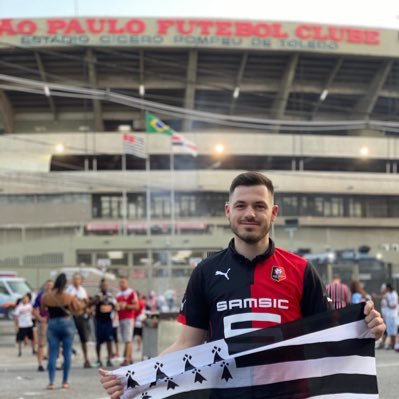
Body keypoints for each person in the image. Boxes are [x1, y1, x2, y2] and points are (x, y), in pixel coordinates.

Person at [99, 171, 386, 398]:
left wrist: (366, 328)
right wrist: (134, 376)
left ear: (273, 213)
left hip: (288, 393)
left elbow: (326, 338)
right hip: (225, 393)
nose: (250, 213)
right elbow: (187, 343)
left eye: (259, 206)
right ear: (228, 211)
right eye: (241, 205)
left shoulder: (300, 270)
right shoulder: (205, 272)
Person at [41, 273, 84, 390]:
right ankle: (65, 381)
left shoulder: (46, 296)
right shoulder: (69, 296)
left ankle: (51, 382)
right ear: (65, 283)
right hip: (67, 324)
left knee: (52, 354)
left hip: (52, 324)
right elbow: (77, 309)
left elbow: (43, 309)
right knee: (67, 353)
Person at [66, 273, 92, 368]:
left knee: (84, 338)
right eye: (75, 279)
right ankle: (66, 359)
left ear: (81, 280)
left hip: (81, 316)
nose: (76, 280)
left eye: (78, 279)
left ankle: (86, 359)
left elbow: (85, 302)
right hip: (72, 316)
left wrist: (85, 308)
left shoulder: (82, 290)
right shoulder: (69, 290)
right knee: (68, 339)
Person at [115, 277, 138, 366]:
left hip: (128, 318)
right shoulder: (118, 294)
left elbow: (136, 306)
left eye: (123, 282)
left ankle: (127, 359)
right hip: (121, 318)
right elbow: (117, 306)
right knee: (126, 339)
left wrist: (126, 306)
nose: (121, 284)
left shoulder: (131, 293)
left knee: (128, 339)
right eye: (120, 282)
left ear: (127, 283)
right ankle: (130, 357)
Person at [93, 278, 116, 368]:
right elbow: (91, 304)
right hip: (99, 321)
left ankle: (109, 359)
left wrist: (115, 306)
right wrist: (98, 300)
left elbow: (115, 306)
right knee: (98, 341)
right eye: (103, 285)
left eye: (106, 285)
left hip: (108, 321)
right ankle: (98, 359)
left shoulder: (110, 297)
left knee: (109, 340)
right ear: (100, 287)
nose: (105, 287)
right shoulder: (97, 296)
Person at [33, 279, 54, 371]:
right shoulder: (40, 296)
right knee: (41, 344)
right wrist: (40, 318)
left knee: (52, 344)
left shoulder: (55, 296)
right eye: (48, 285)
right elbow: (34, 309)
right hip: (43, 322)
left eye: (51, 285)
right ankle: (40, 364)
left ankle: (50, 363)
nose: (49, 286)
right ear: (45, 286)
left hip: (53, 322)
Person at [14, 293, 34, 357]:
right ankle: (20, 351)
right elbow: (16, 317)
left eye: (27, 299)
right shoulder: (19, 307)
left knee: (32, 338)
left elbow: (33, 313)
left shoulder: (30, 306)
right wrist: (16, 325)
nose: (25, 300)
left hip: (29, 324)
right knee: (20, 339)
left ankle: (33, 349)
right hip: (22, 325)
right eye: (24, 299)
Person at [384, 283, 398, 350]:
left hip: (394, 315)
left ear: (388, 288)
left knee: (394, 331)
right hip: (388, 315)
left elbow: (394, 305)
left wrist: (389, 305)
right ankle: (392, 345)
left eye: (386, 288)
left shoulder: (394, 294)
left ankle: (394, 345)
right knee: (390, 331)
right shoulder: (387, 294)